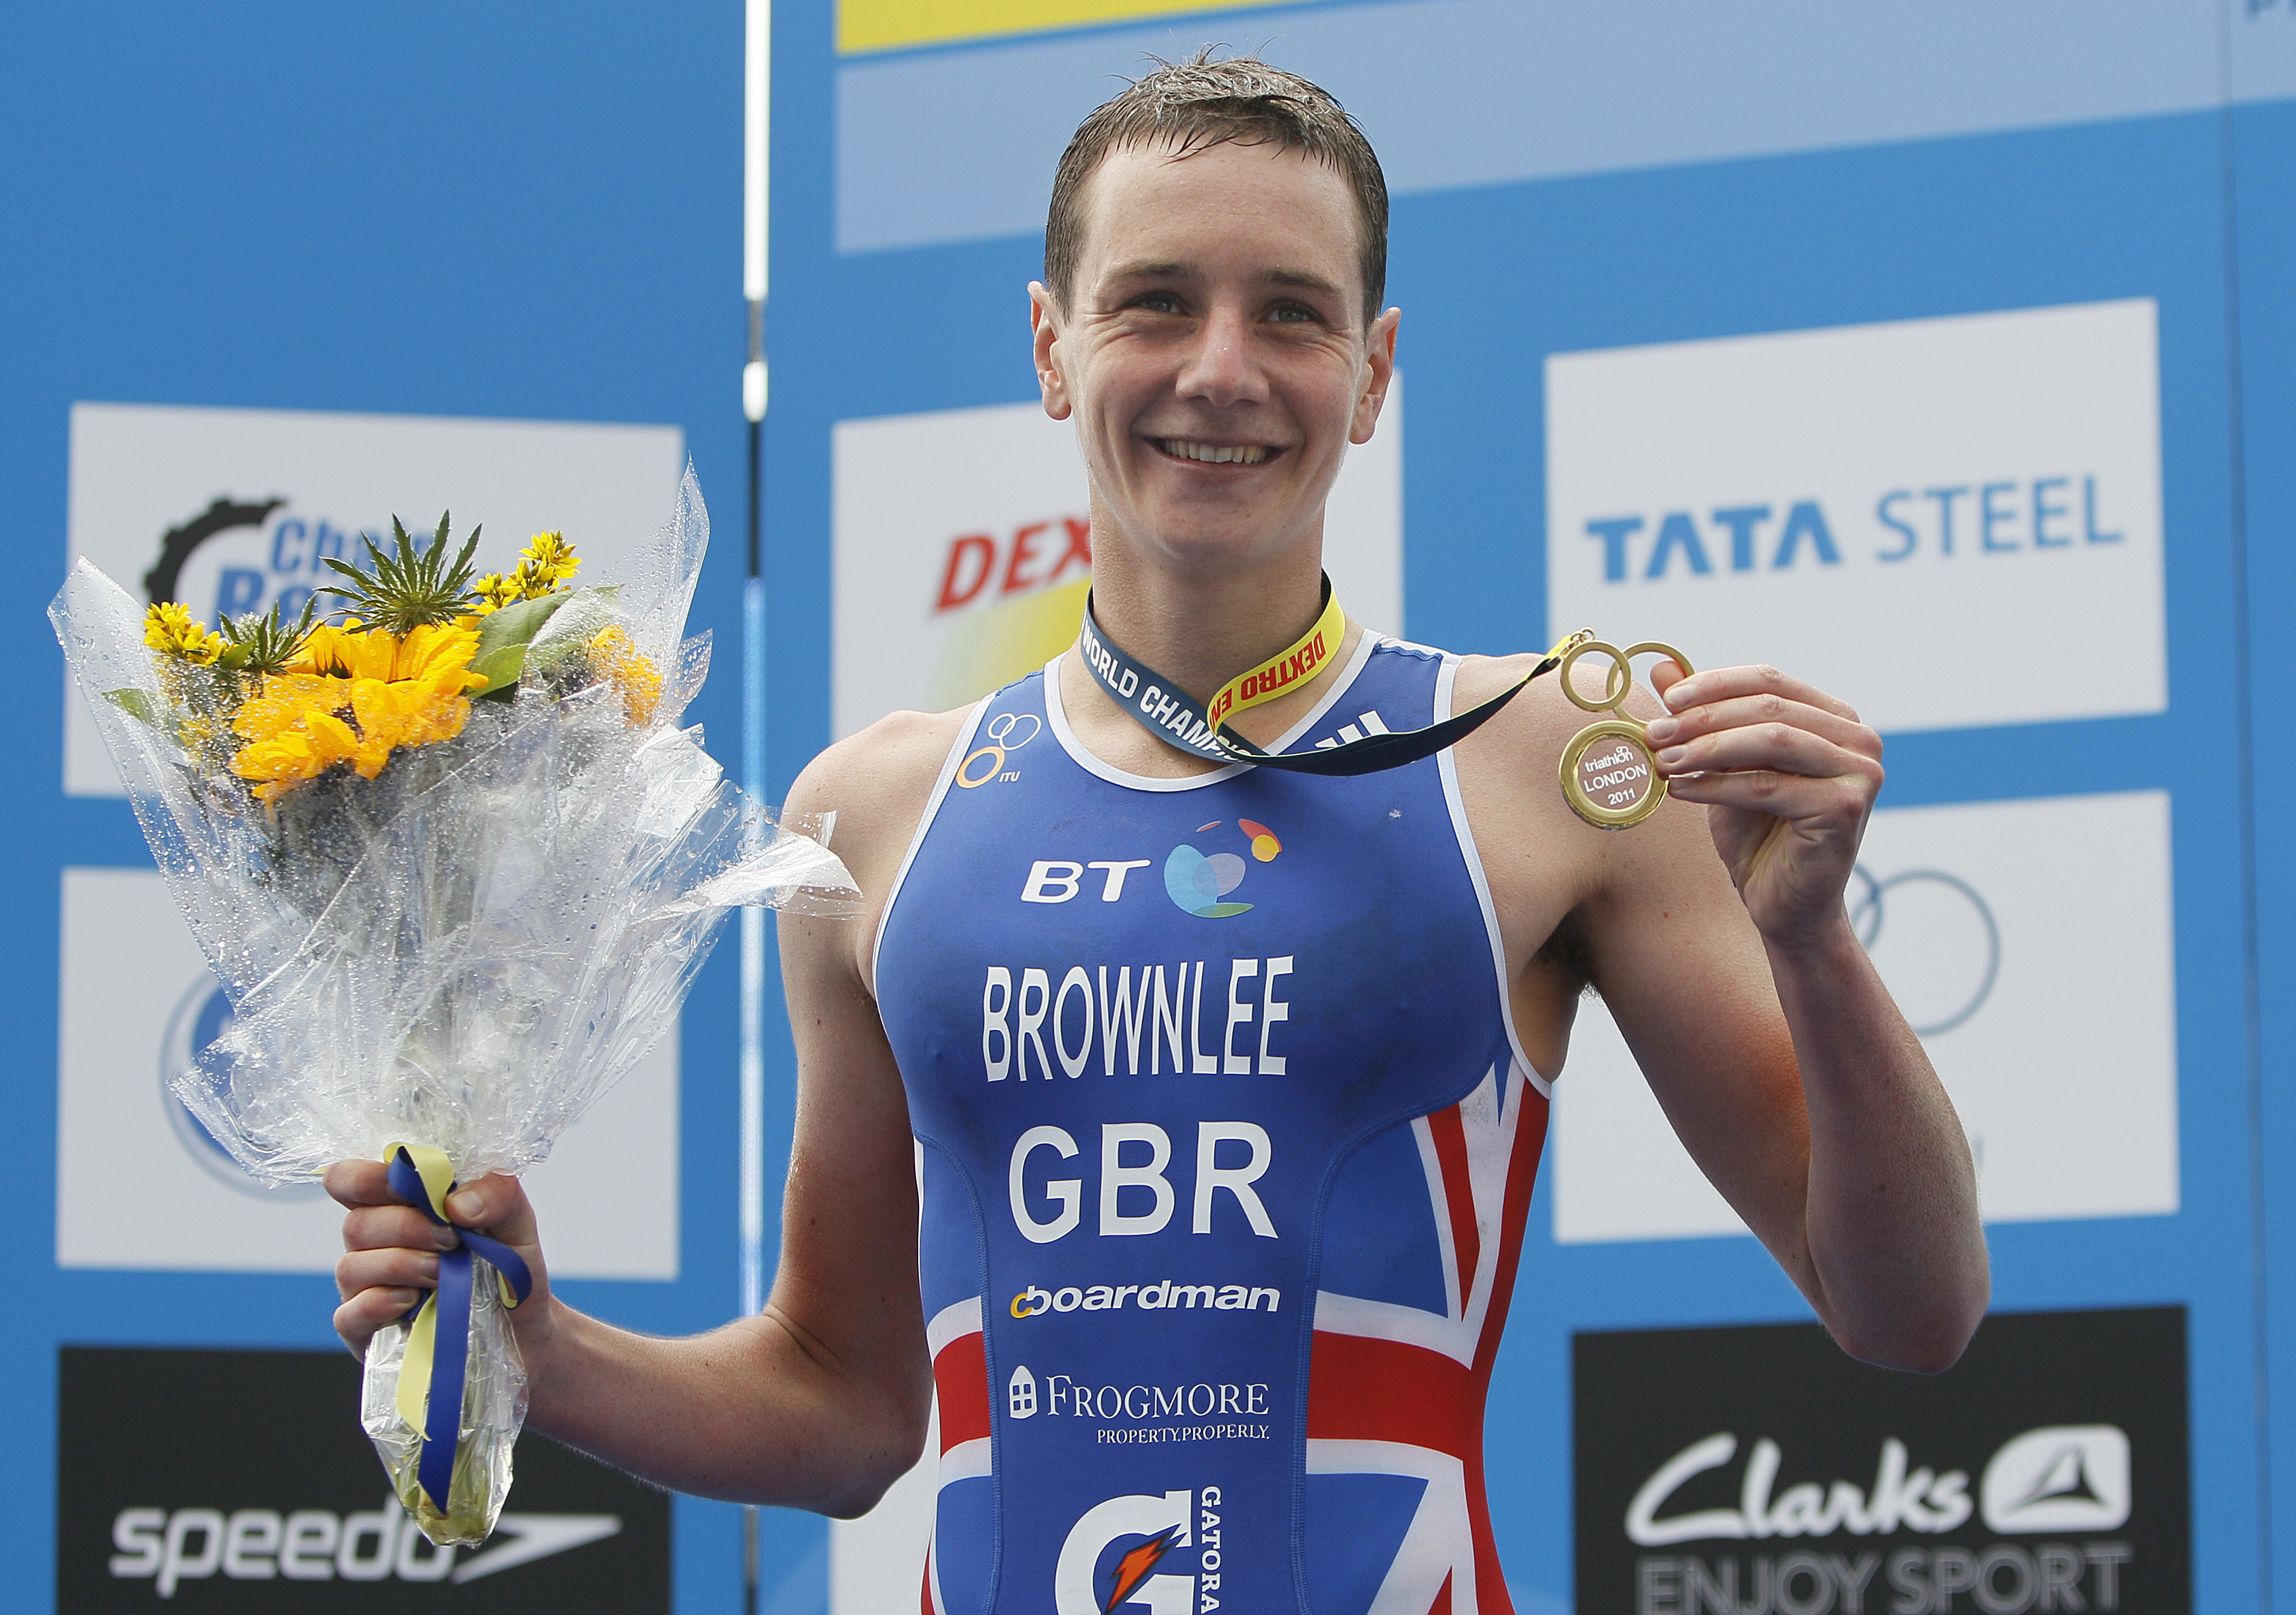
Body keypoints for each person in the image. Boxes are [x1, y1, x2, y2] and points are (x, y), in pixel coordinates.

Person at [328, 53, 1988, 1613]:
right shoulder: (875, 812)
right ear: (1050, 347)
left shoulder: (1543, 759)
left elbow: (1911, 1309)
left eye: (1291, 313)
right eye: (1155, 303)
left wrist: (1814, 946)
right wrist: (536, 1342)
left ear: (1375, 370)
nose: (1221, 369)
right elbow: (842, 1411)